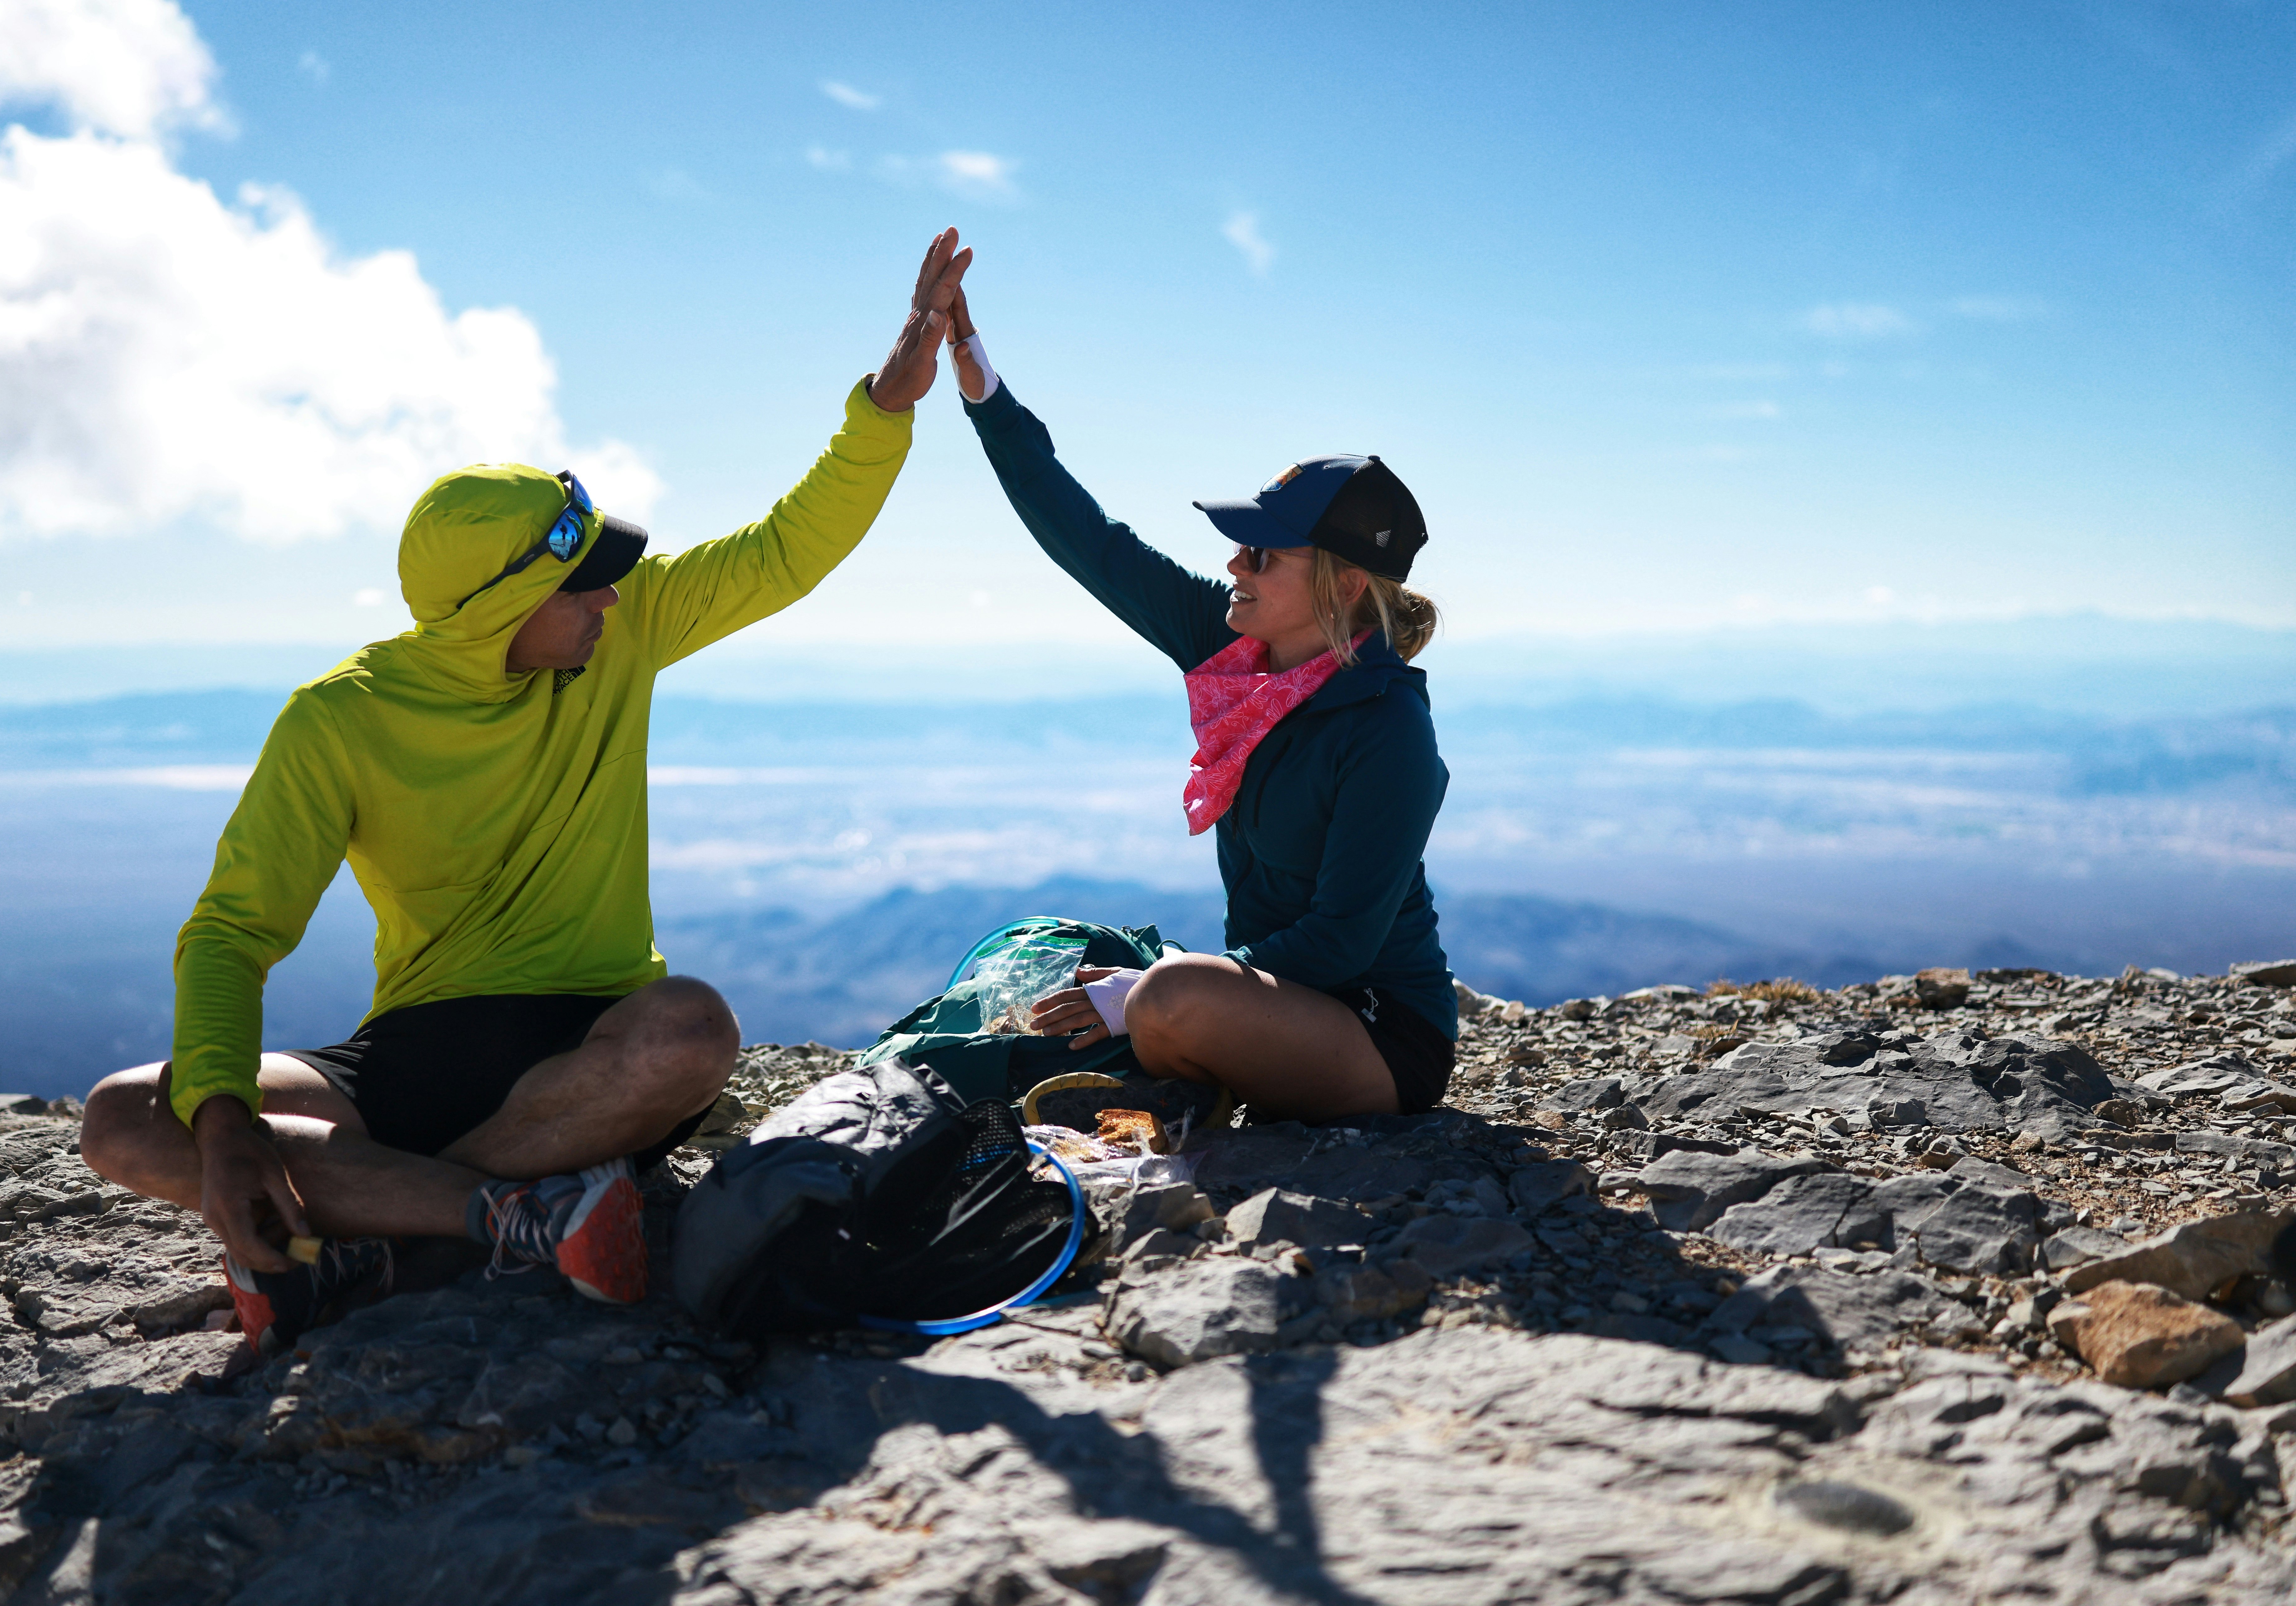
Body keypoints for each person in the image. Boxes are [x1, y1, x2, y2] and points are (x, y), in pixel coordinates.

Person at [80, 230, 976, 1349]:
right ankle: (494, 1216)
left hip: (594, 1044)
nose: (613, 599)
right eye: (582, 586)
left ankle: (373, 1236)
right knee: (127, 1116)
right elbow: (232, 931)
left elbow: (787, 550)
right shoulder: (342, 719)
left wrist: (886, 402)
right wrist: (221, 1124)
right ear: (498, 611)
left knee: (691, 1031)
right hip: (410, 1052)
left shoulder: (627, 632)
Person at [945, 290, 1457, 1123]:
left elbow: (1341, 944)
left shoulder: (1388, 729)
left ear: (1347, 583)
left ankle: (1170, 1048)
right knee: (1070, 961)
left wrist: (1151, 991)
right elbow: (1091, 543)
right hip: (1272, 997)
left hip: (1377, 1032)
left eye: (1262, 552)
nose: (1234, 563)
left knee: (1170, 994)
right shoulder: (1235, 657)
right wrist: (985, 395)